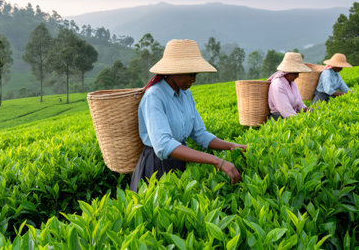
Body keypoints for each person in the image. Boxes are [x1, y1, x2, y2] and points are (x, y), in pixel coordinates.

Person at [130, 39, 247, 193]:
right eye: (190, 74)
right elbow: (164, 146)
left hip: (181, 162)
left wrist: (231, 146)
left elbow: (200, 134)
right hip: (156, 167)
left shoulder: (186, 94)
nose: (194, 79)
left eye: (195, 74)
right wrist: (217, 161)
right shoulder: (154, 96)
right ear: (173, 71)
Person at [267, 52, 312, 120]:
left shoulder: (292, 83)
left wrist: (307, 109)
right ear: (287, 72)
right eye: (295, 73)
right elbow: (285, 110)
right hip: (279, 118)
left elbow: (299, 102)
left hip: (292, 114)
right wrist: (300, 120)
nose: (297, 76)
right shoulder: (278, 84)